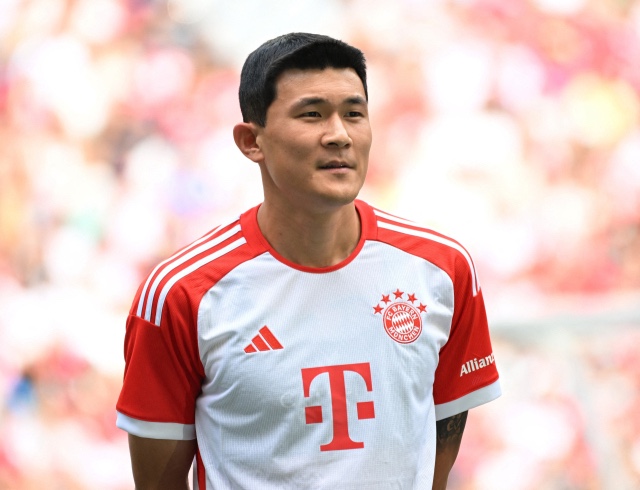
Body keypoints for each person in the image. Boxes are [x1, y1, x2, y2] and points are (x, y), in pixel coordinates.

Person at [116, 32, 501, 489]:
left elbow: (440, 443)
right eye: (312, 114)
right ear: (251, 141)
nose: (339, 135)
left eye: (354, 113)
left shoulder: (443, 270)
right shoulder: (182, 294)